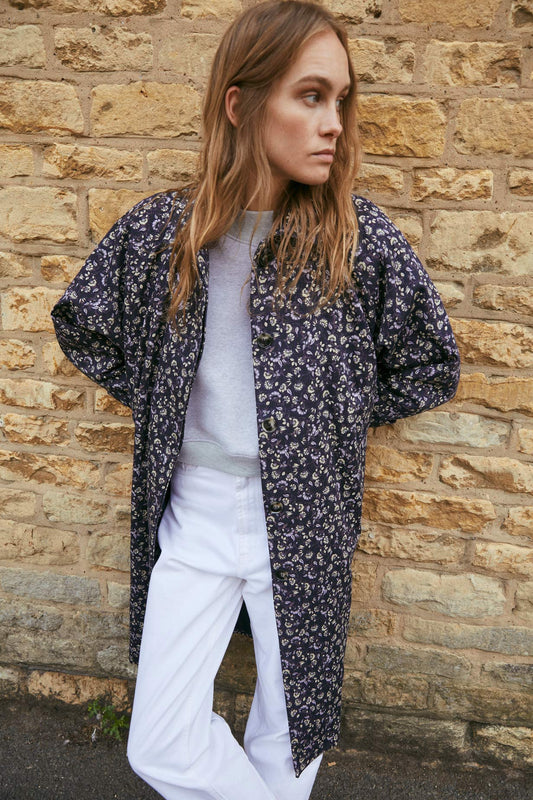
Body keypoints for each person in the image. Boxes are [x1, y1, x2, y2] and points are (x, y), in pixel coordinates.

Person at [51, 1, 461, 798]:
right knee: (161, 742)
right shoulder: (161, 235)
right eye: (310, 96)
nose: (333, 122)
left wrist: (326, 421)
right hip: (195, 512)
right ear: (240, 104)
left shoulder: (357, 241)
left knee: (288, 735)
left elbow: (429, 363)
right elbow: (84, 325)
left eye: (339, 100)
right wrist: (162, 401)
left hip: (305, 518)